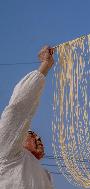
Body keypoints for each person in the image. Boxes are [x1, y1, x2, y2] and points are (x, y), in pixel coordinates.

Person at [0, 46, 55, 189]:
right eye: (32, 135)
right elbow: (17, 109)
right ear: (17, 135)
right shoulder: (6, 149)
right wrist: (45, 66)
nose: (38, 139)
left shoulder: (44, 175)